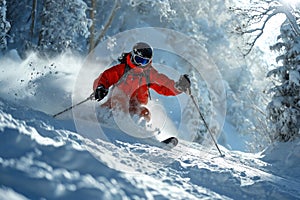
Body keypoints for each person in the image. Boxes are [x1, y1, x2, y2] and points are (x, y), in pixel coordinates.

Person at [93, 42, 191, 121]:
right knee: (121, 102)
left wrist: (178, 87)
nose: (140, 64)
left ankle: (138, 131)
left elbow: (164, 86)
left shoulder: (149, 74)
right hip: (115, 104)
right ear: (132, 56)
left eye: (144, 62)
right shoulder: (122, 69)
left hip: (134, 105)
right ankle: (104, 119)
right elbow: (104, 78)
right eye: (138, 59)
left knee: (145, 113)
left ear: (149, 62)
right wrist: (100, 88)